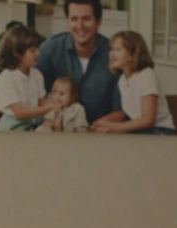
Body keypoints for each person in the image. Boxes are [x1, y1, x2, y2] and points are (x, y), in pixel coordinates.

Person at [35, 0, 127, 130]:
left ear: (98, 21)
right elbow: (34, 96)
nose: (80, 25)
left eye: (86, 19)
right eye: (74, 19)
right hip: (56, 135)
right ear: (67, 21)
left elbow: (121, 110)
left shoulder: (114, 54)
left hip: (100, 136)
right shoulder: (49, 50)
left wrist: (89, 131)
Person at [100, 30, 175, 135]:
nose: (112, 54)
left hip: (160, 130)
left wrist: (117, 127)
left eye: (118, 49)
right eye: (111, 49)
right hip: (140, 131)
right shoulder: (122, 81)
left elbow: (148, 120)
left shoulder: (146, 75)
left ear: (133, 53)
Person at [0, 25, 56, 132]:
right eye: (32, 50)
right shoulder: (7, 78)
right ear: (17, 53)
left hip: (32, 124)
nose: (38, 53)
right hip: (12, 127)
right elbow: (19, 113)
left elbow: (42, 103)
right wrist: (49, 107)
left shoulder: (37, 75)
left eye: (37, 49)